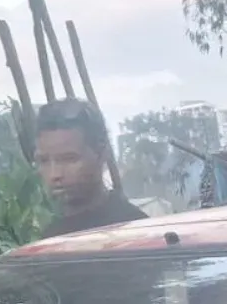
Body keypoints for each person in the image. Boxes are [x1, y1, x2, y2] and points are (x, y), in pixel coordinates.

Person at [32, 99, 147, 238]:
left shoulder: (135, 232)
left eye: (69, 159)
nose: (55, 174)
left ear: (101, 154)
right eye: (44, 161)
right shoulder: (50, 239)